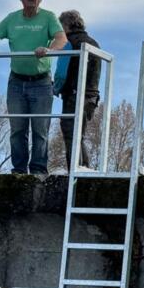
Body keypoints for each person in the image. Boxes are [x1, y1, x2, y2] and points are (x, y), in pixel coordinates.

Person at [0, 0, 66, 174]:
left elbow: (61, 38)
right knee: (17, 129)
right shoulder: (12, 19)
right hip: (16, 82)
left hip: (41, 82)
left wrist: (49, 50)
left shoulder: (49, 17)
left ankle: (38, 171)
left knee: (40, 129)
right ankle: (18, 170)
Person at [55, 9, 101, 170]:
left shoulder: (69, 43)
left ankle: (74, 172)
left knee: (70, 134)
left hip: (73, 94)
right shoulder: (94, 43)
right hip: (92, 97)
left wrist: (55, 88)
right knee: (79, 135)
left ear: (66, 25)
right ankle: (84, 169)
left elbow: (61, 73)